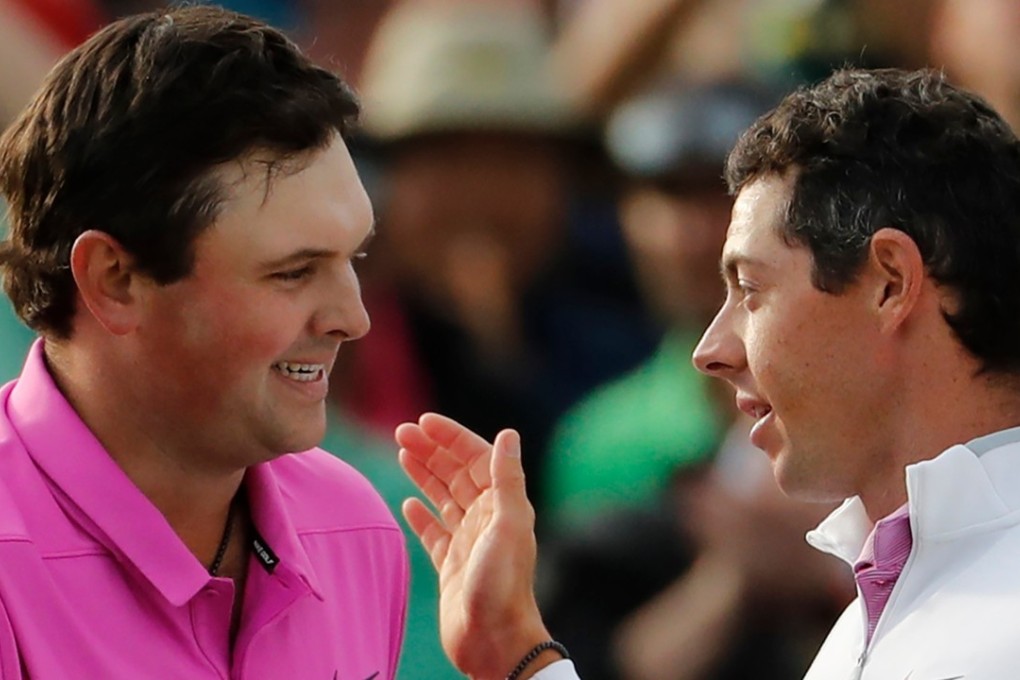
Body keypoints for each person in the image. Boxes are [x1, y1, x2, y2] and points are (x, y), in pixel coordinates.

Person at [397, 66, 1020, 680]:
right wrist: (519, 652)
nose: (711, 349)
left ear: (889, 283)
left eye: (750, 289)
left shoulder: (987, 607)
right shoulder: (891, 591)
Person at [0, 6, 408, 678]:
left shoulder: (355, 523)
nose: (352, 318)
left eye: (353, 261)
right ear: (115, 280)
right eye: (294, 272)